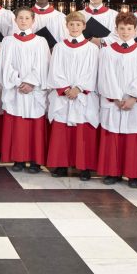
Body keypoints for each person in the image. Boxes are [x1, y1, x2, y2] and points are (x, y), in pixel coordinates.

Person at [96, 12, 137, 187]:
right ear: (116, 29)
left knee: (133, 139)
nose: (125, 32)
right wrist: (115, 97)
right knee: (113, 137)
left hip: (134, 103)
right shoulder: (106, 51)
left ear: (135, 30)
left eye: (129, 29)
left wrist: (133, 98)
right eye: (122, 28)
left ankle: (134, 174)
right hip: (114, 102)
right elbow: (105, 76)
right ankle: (112, 173)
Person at [46, 11, 100, 180]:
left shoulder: (92, 48)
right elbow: (55, 70)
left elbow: (93, 72)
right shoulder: (60, 47)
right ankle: (61, 164)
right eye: (71, 24)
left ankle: (84, 167)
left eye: (78, 24)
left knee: (82, 131)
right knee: (62, 131)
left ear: (84, 26)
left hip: (83, 95)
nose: (75, 27)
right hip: (64, 95)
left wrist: (79, 88)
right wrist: (65, 88)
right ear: (66, 26)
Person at [0, 6, 50, 173]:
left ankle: (35, 160)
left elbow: (43, 65)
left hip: (33, 91)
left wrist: (30, 82)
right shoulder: (8, 41)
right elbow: (5, 65)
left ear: (33, 21)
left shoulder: (40, 41)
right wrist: (17, 81)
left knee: (34, 125)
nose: (23, 21)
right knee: (17, 125)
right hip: (15, 89)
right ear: (15, 20)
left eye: (27, 18)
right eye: (20, 18)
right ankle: (18, 159)